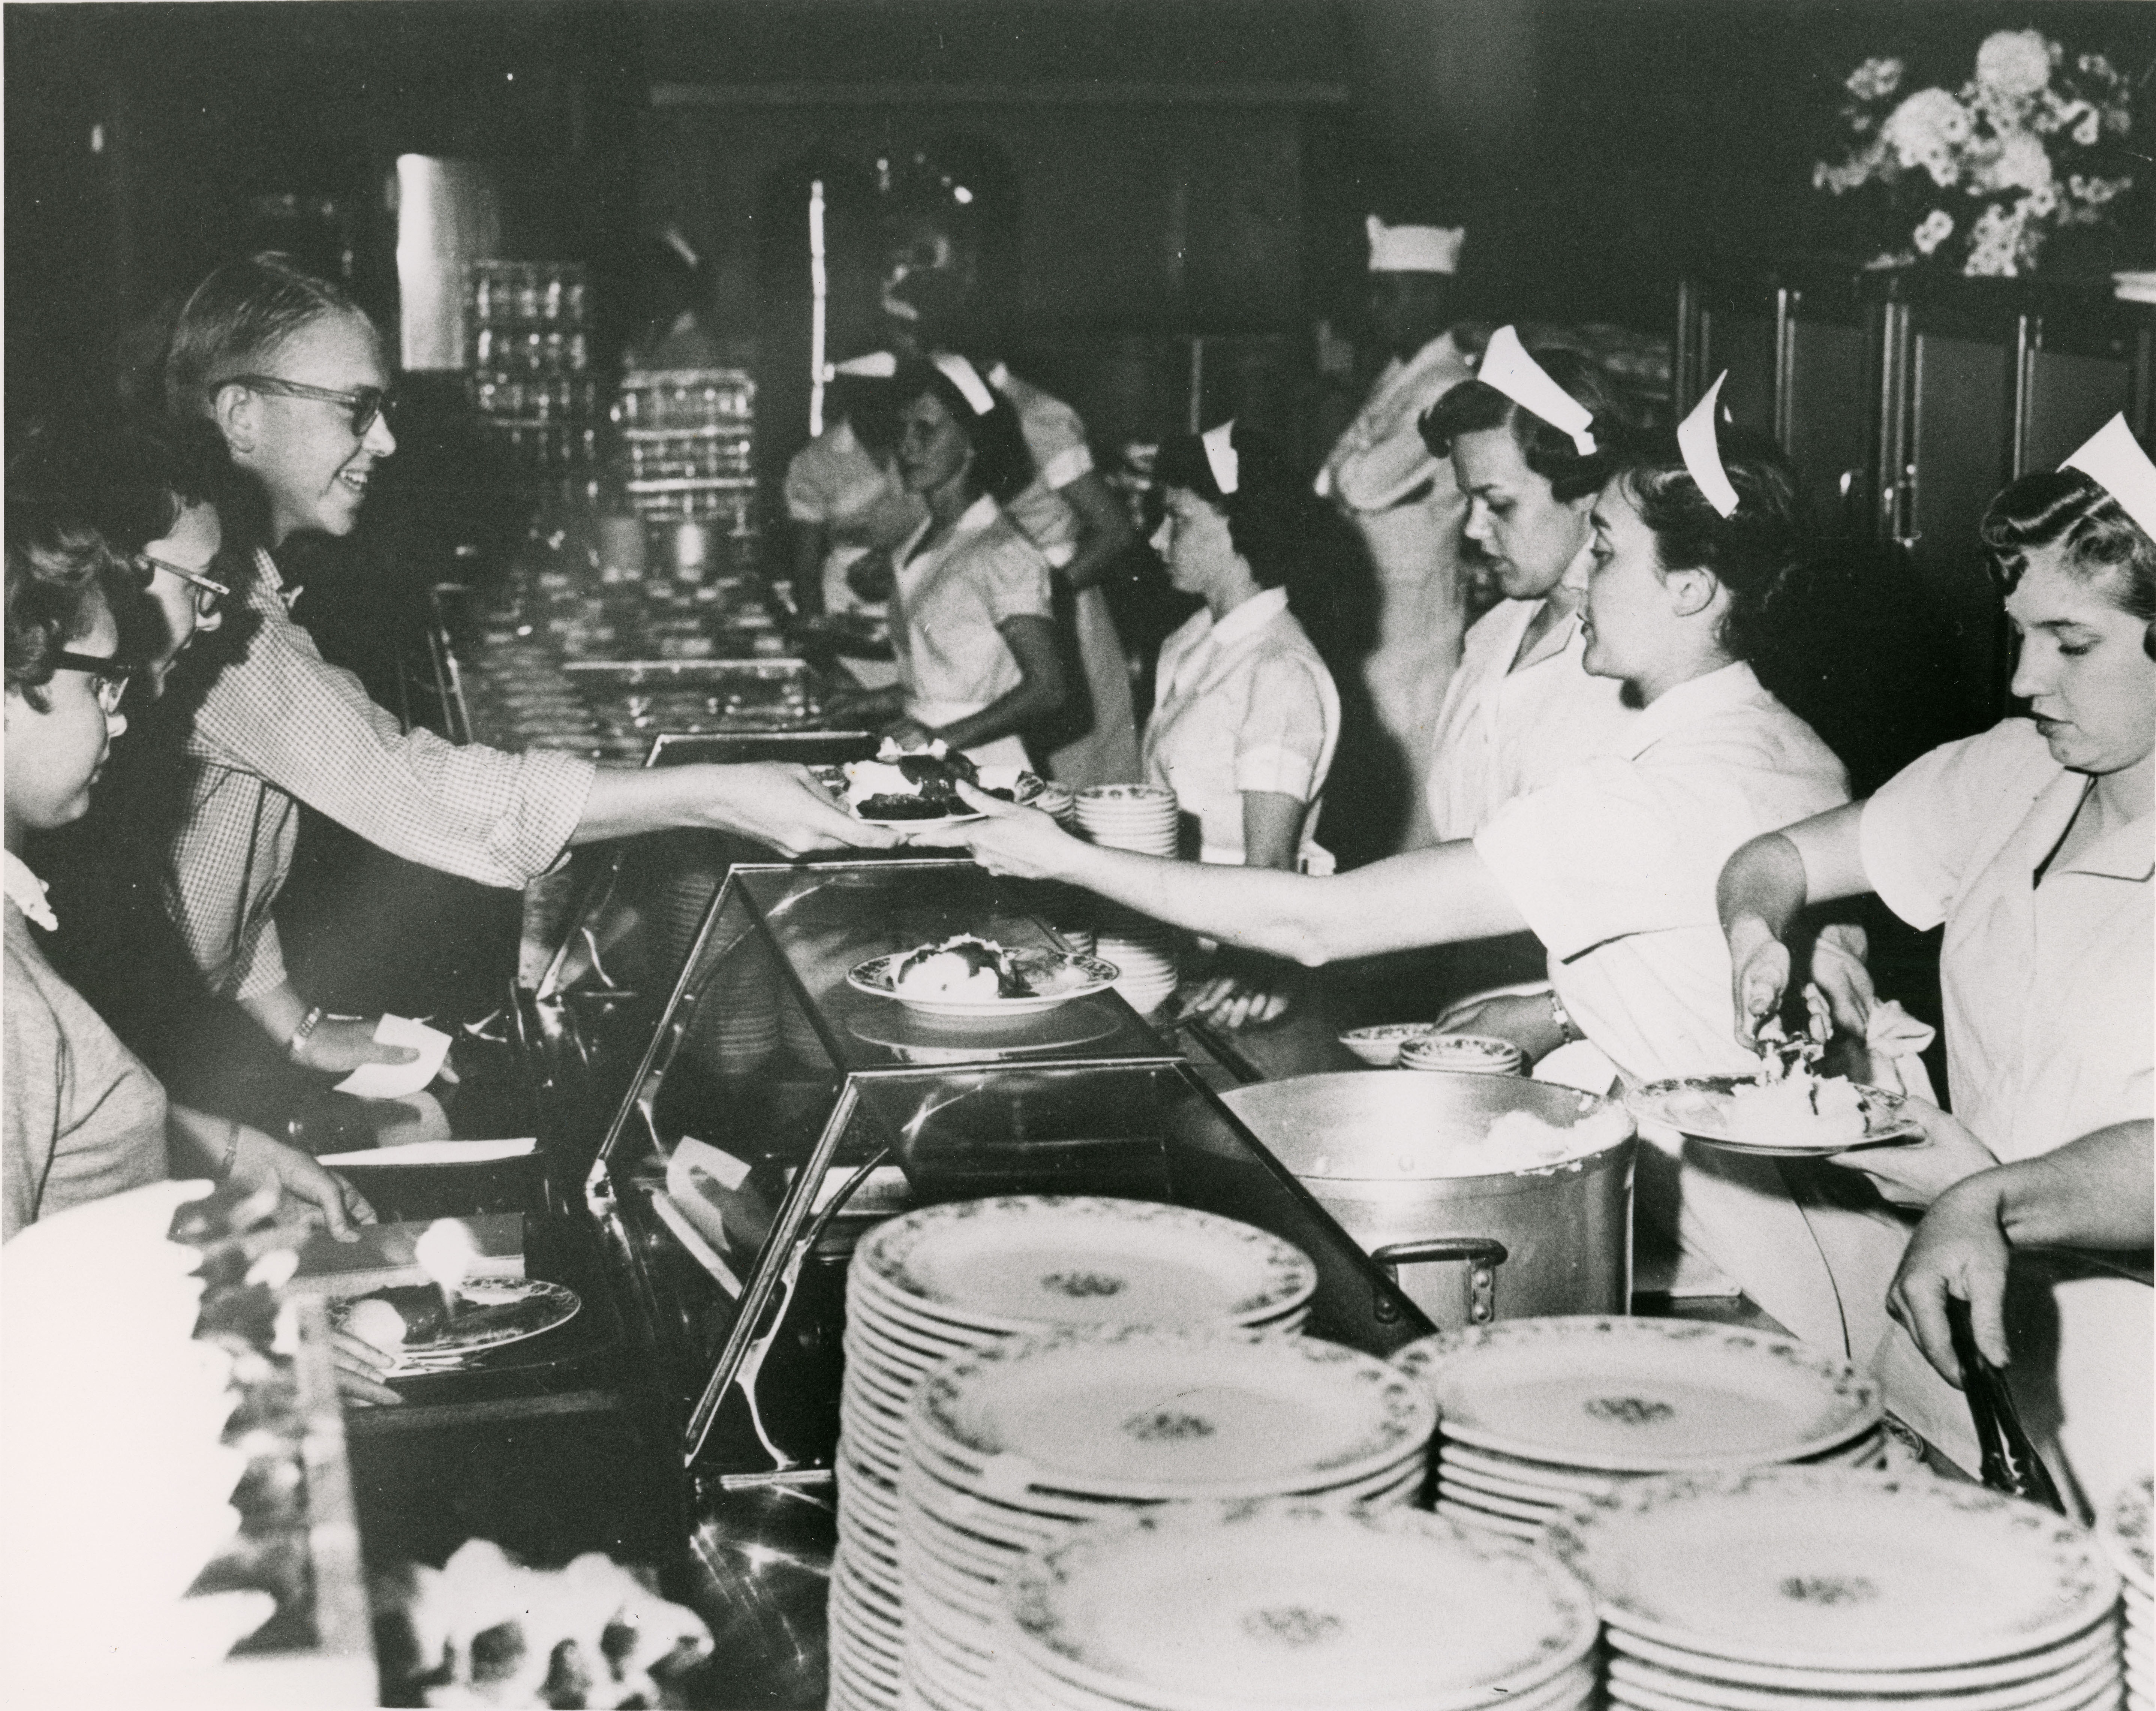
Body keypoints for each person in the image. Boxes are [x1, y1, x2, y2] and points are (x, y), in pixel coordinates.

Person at [954, 400, 1888, 1354]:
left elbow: (1319, 923)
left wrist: (1064, 856)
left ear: (1691, 588)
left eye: (1603, 551)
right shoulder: (1781, 743)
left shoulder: (1653, 794)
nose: (1581, 580)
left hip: (1733, 1272)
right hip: (1797, 1246)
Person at [155, 254, 885, 1072]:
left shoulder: (243, 577)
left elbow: (219, 847)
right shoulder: (203, 613)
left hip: (187, 1024)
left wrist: (298, 1025)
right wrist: (713, 790)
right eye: (357, 410)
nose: (386, 441)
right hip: (153, 1045)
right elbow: (411, 785)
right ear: (241, 415)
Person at [1717, 414, 2155, 1479]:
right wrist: (1761, 940)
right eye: (2018, 634)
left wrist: (1991, 1194)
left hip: (2119, 1393)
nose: (2020, 679)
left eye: (2071, 642)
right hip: (1936, 1347)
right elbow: (1773, 858)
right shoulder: (2015, 771)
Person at [884, 251, 1141, 786]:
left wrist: (1036, 592)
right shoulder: (936, 408)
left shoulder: (1037, 417)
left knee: (1076, 780)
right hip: (987, 605)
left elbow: (1113, 529)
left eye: (904, 334)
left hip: (1054, 607)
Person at [1142, 421, 1342, 1030]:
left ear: (1240, 525)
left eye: (1177, 519)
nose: (1155, 539)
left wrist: (1245, 970)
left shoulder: (1278, 671)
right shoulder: (1194, 642)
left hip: (1238, 970)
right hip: (1179, 943)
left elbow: (1272, 862)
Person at [1417, 329, 1639, 840]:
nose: (1473, 531)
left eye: (1498, 505)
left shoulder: (1629, 666)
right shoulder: (1491, 635)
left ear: (1583, 489)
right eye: (1468, 502)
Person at [1315, 214, 1477, 855]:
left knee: (1410, 768)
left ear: (1433, 296)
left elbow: (1356, 483)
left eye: (1392, 290)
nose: (1374, 306)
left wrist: (1351, 461)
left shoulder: (1447, 387)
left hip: (1414, 611)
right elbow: (1332, 480)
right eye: (1374, 288)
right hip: (1373, 603)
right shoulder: (1399, 377)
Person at [825, 353, 1065, 769]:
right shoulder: (923, 539)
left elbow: (1049, 687)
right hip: (928, 755)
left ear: (972, 440)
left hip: (983, 764)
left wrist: (939, 739)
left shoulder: (1001, 551)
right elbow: (945, 679)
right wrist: (873, 701)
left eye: (926, 430)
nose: (906, 446)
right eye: (902, 429)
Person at [783, 352, 923, 692]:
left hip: (922, 605)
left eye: (893, 401)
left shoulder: (924, 446)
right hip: (849, 615)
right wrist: (822, 651)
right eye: (870, 401)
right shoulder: (815, 462)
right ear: (850, 399)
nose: (885, 413)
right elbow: (806, 565)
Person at [623, 228, 726, 372]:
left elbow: (707, 291)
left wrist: (682, 248)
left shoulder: (690, 339)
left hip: (680, 339)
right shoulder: (654, 285)